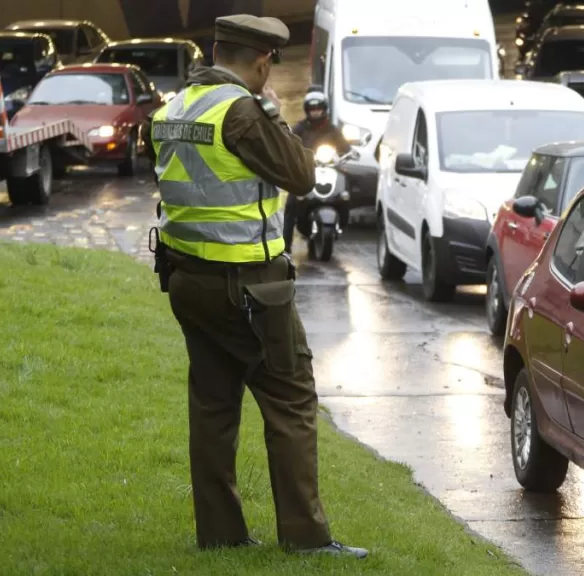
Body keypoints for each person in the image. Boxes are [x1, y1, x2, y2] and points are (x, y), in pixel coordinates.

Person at [144, 14, 368, 559]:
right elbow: (299, 172)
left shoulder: (172, 108)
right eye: (269, 65)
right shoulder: (242, 112)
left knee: (214, 403)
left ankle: (220, 534)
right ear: (263, 61)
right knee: (290, 398)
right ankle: (307, 538)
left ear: (215, 50)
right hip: (248, 284)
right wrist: (270, 110)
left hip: (186, 278)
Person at [283, 90, 352, 252]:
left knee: (346, 193)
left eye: (318, 108)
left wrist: (348, 153)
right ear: (307, 110)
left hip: (329, 169)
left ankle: (342, 222)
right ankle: (285, 247)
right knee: (292, 204)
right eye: (312, 108)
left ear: (324, 109)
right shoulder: (300, 128)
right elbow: (289, 144)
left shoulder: (332, 129)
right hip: (306, 170)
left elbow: (345, 148)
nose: (315, 112)